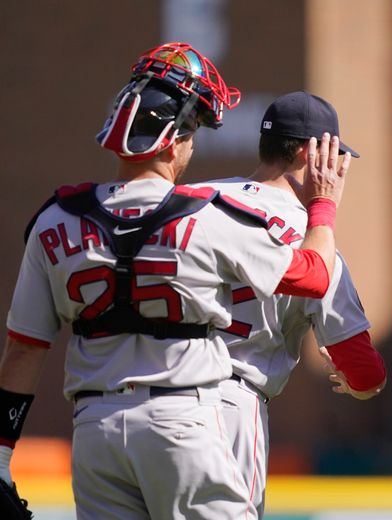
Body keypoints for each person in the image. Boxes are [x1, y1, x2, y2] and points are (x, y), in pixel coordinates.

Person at [0, 43, 349, 519]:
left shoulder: (55, 218)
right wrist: (323, 206)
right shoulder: (208, 217)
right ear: (175, 139)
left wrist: (1, 455)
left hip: (93, 429)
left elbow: (23, 349)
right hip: (181, 422)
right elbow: (313, 276)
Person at [192, 90, 387, 516]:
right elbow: (365, 371)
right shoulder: (314, 237)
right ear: (309, 153)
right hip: (230, 407)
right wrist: (357, 384)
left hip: (139, 392)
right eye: (335, 155)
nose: (338, 169)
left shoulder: (189, 199)